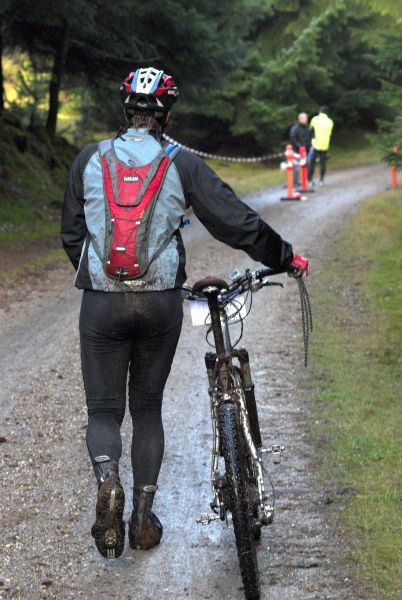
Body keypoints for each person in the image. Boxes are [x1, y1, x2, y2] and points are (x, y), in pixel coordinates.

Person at [61, 66, 309, 560]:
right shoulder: (181, 163)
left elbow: (73, 236)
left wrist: (104, 280)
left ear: (124, 110)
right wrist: (284, 257)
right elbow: (233, 220)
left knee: (104, 411)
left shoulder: (89, 159)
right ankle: (143, 518)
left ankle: (108, 478)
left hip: (102, 301)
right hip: (159, 303)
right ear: (167, 114)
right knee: (148, 407)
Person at [308, 106, 334, 186]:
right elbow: (329, 133)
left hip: (314, 144)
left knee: (311, 162)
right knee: (323, 163)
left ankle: (310, 180)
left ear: (320, 112)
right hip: (324, 145)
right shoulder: (330, 121)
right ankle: (321, 180)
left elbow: (310, 131)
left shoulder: (314, 119)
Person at [289, 112, 312, 187]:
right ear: (300, 119)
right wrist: (299, 147)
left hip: (306, 151)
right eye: (305, 118)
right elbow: (293, 138)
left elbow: (310, 137)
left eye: (306, 118)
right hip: (297, 152)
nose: (306, 119)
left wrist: (309, 146)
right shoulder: (295, 128)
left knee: (308, 165)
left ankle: (307, 181)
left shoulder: (308, 127)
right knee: (296, 168)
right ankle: (295, 183)